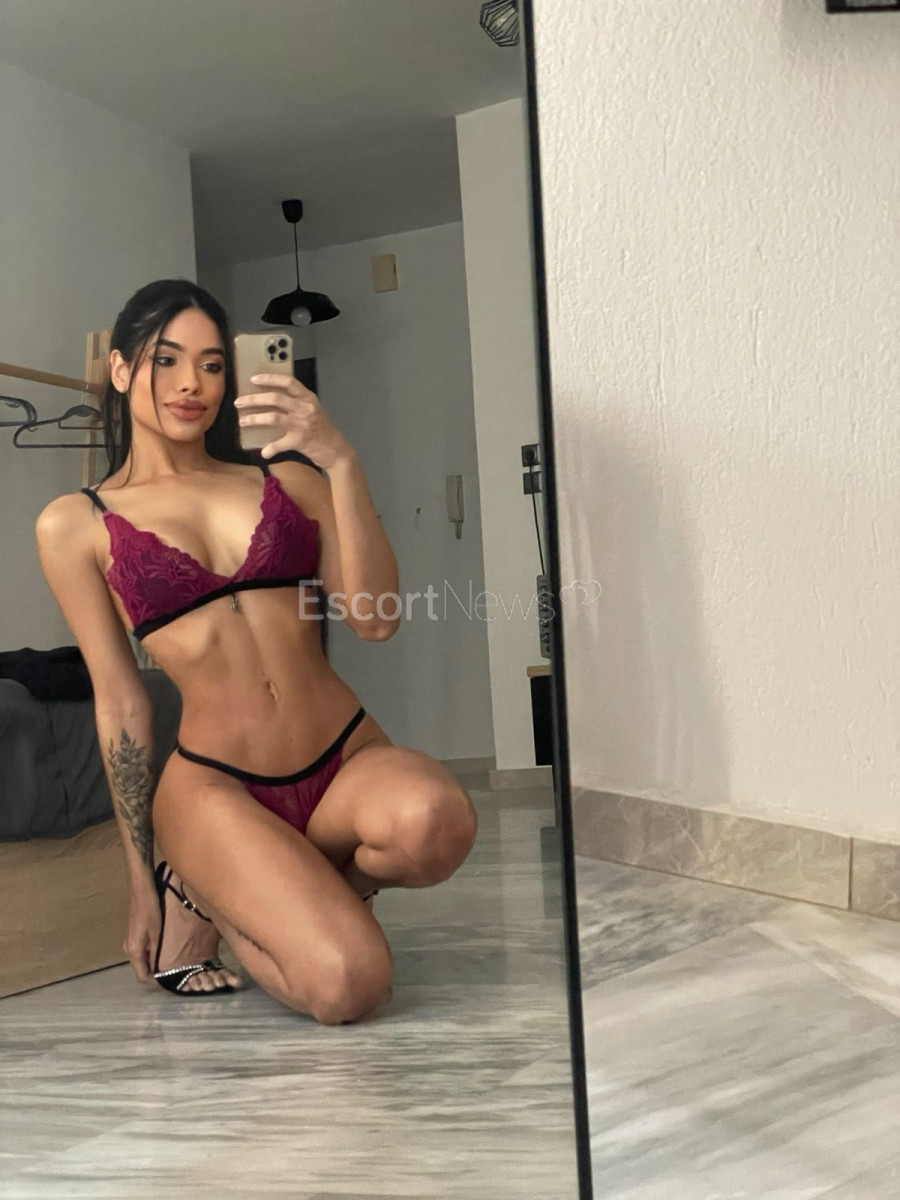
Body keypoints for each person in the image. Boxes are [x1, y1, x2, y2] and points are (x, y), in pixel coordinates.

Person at [35, 278, 478, 1024]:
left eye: (212, 365)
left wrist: (342, 463)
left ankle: (268, 894)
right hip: (219, 787)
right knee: (348, 986)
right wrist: (141, 883)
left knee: (439, 821)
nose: (191, 384)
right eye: (166, 360)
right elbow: (120, 702)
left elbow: (375, 620)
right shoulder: (74, 524)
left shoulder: (288, 477)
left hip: (341, 757)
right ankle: (198, 892)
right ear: (120, 370)